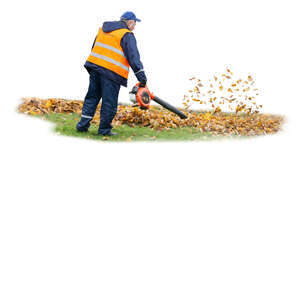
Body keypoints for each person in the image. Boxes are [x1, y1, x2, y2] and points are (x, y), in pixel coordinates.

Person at [76, 11, 147, 136]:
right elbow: (134, 58)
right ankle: (104, 130)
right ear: (130, 22)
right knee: (109, 102)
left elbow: (94, 47)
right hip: (111, 73)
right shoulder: (126, 35)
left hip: (95, 68)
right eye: (135, 23)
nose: (135, 27)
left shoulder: (103, 29)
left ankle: (82, 126)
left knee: (91, 98)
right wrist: (142, 77)